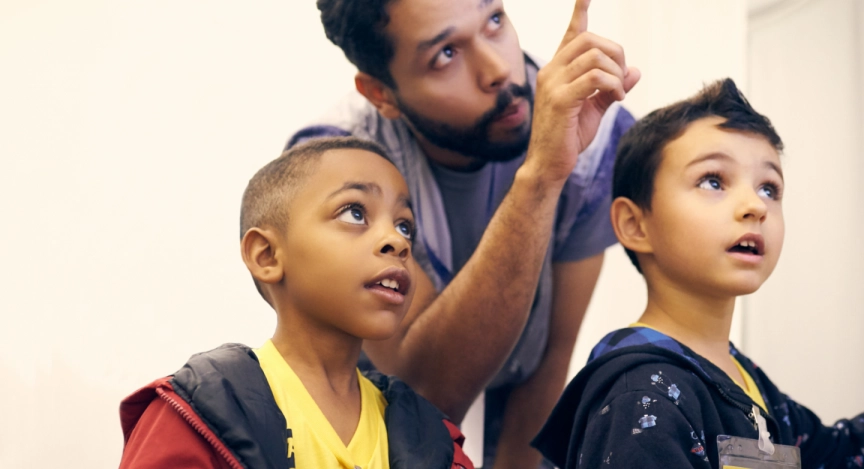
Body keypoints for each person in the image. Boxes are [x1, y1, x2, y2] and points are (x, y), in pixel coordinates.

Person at [287, 1, 640, 466]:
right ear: (381, 94)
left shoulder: (594, 134)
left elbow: (551, 358)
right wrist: (540, 178)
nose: (498, 70)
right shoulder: (332, 170)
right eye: (445, 55)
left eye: (494, 20)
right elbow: (427, 393)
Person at [531, 79, 864, 468]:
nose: (755, 205)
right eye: (713, 181)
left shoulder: (744, 378)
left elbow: (838, 455)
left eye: (769, 188)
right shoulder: (640, 394)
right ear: (635, 225)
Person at [117, 137, 474, 469]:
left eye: (405, 226)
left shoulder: (434, 441)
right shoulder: (196, 413)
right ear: (267, 255)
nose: (396, 242)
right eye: (354, 213)